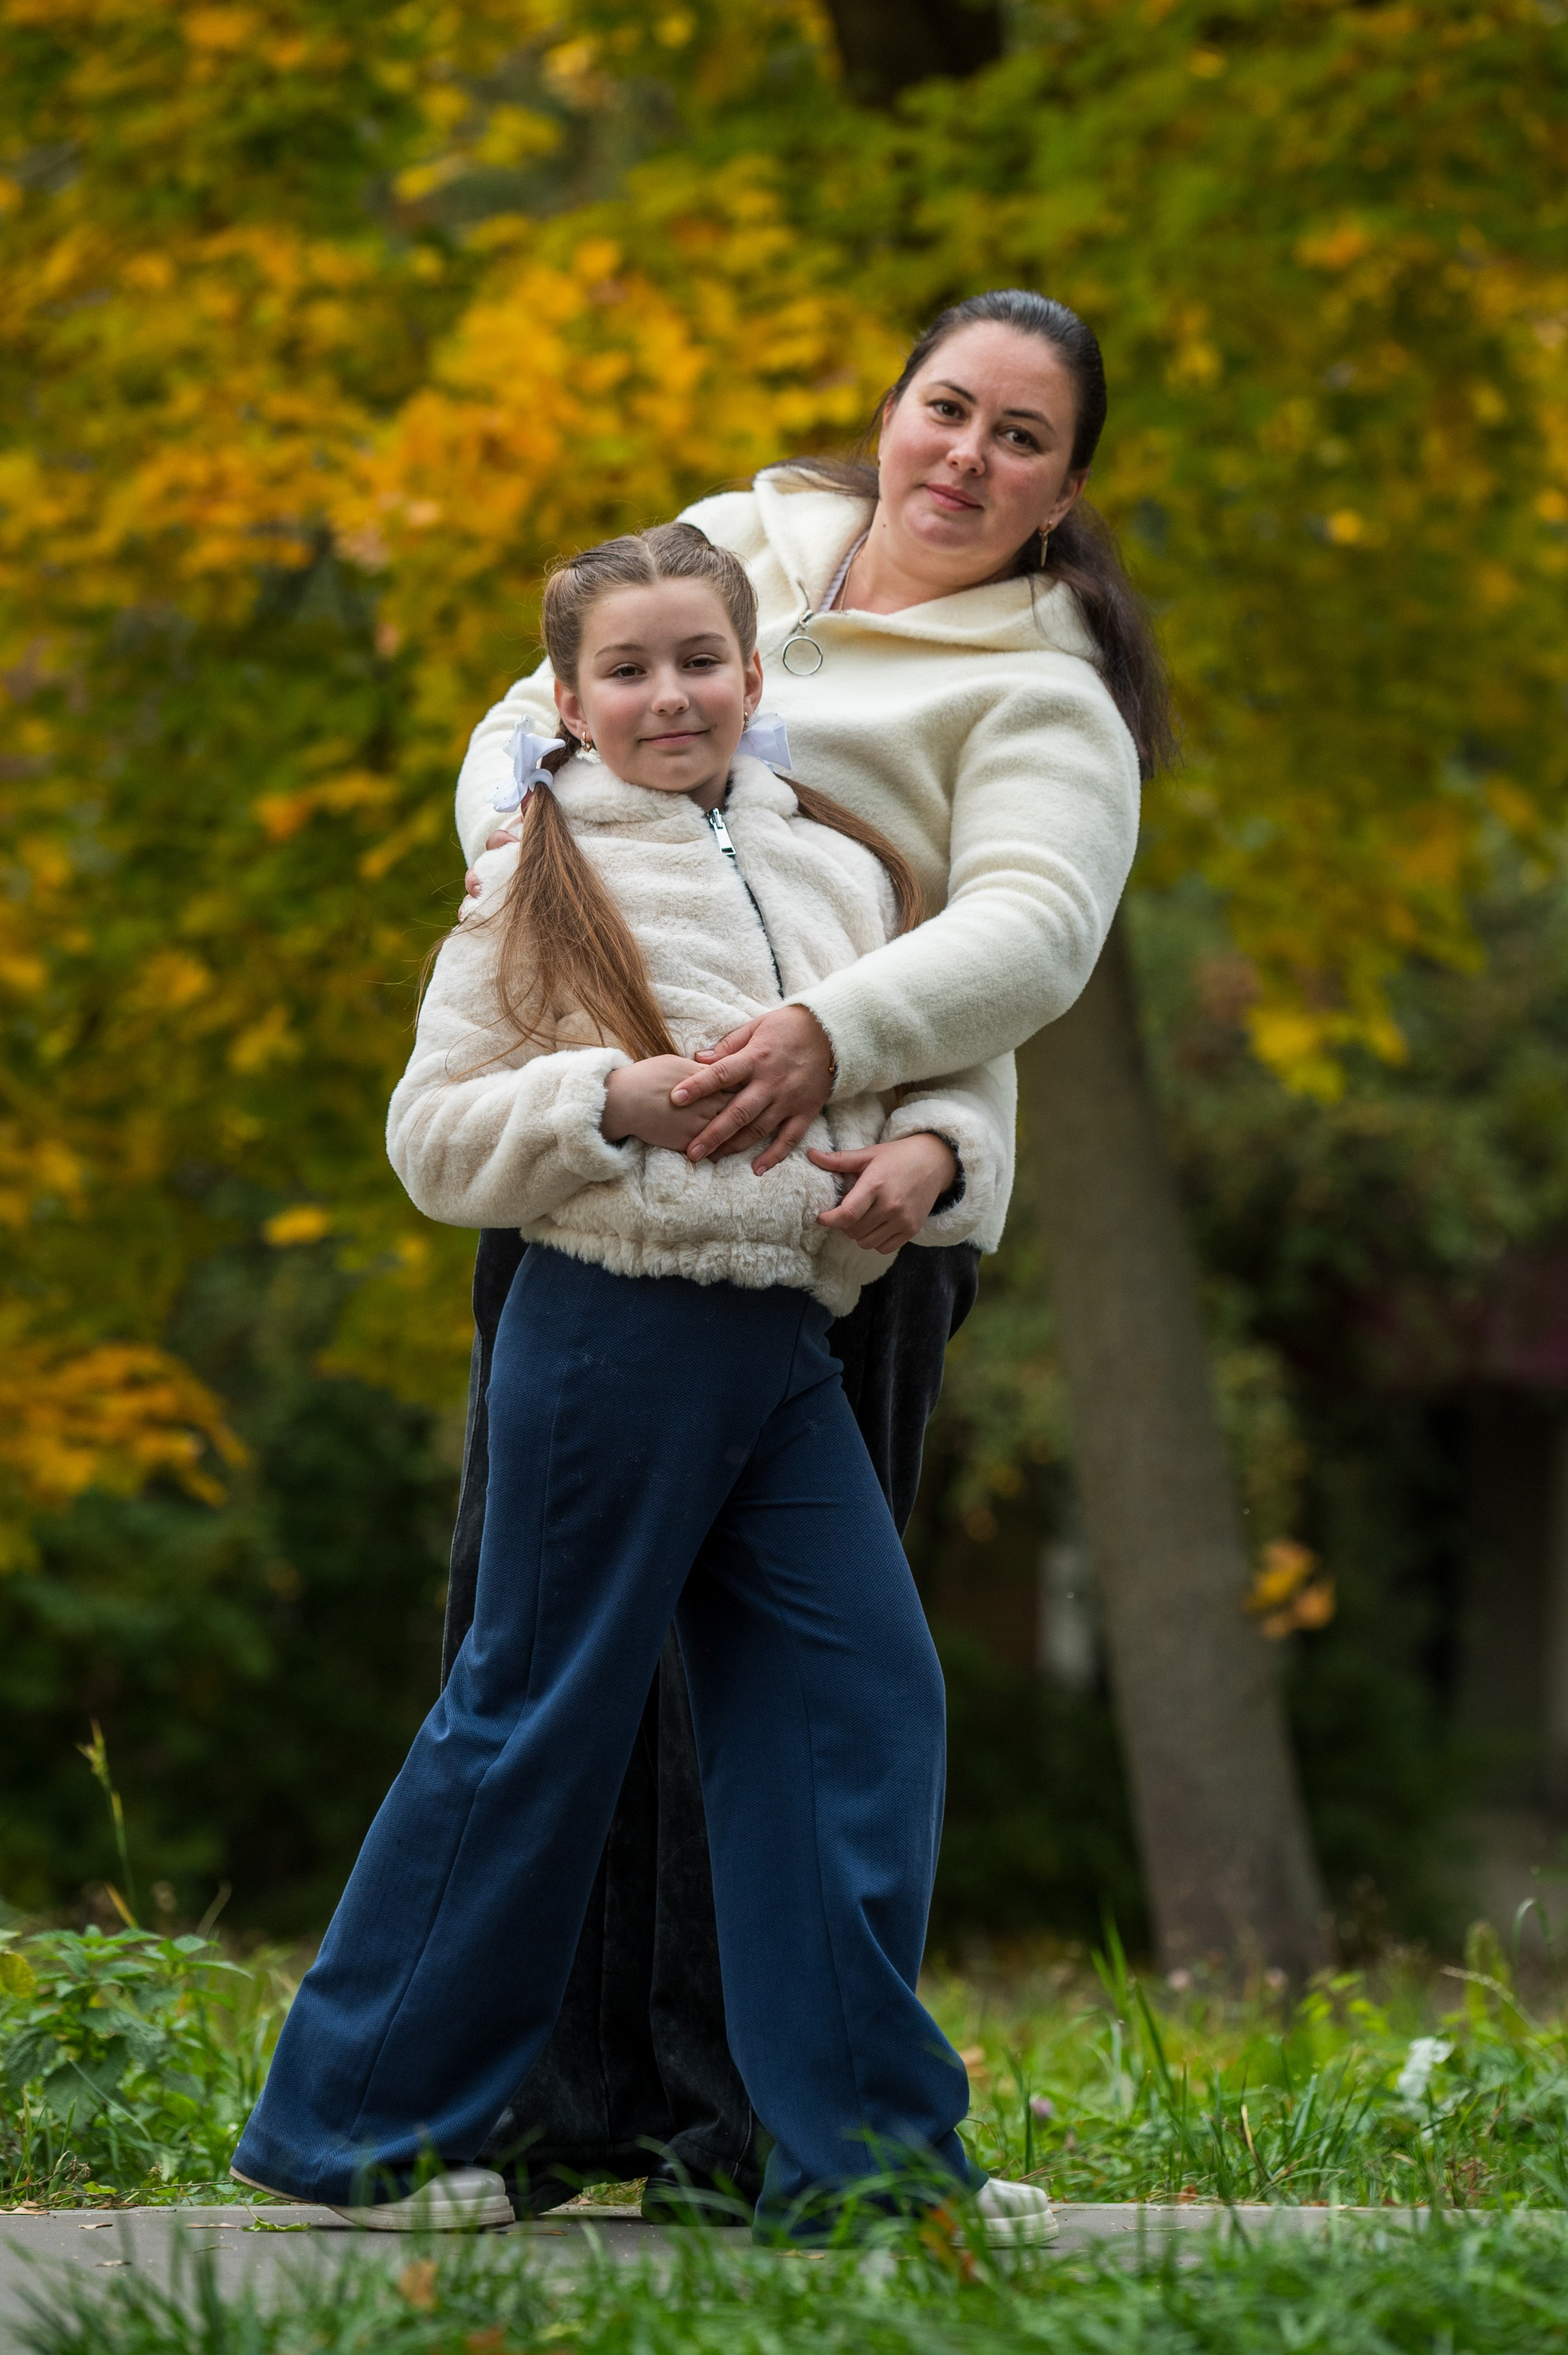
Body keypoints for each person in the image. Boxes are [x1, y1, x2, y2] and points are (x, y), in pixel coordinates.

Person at [231, 521, 1054, 2245]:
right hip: (610, 1329)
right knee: (538, 1712)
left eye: (700, 660)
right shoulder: (539, 876)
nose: (669, 693)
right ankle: (365, 2131)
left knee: (863, 1703)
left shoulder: (835, 871)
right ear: (569, 699)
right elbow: (431, 1135)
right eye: (628, 668)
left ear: (758, 681)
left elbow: (943, 1058)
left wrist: (928, 1154)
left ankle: (866, 2159)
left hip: (784, 1344)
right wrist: (610, 1100)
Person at [444, 291, 1162, 2219]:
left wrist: (865, 1075)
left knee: (775, 1686)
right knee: (548, 1655)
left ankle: (740, 2120)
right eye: (950, 407)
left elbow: (1025, 937)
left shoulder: (1038, 688)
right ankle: (538, 2104)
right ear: (892, 401)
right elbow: (520, 724)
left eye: (1023, 438)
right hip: (604, 1183)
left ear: (1063, 489)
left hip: (840, 1225)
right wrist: (528, 872)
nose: (967, 456)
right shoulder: (731, 544)